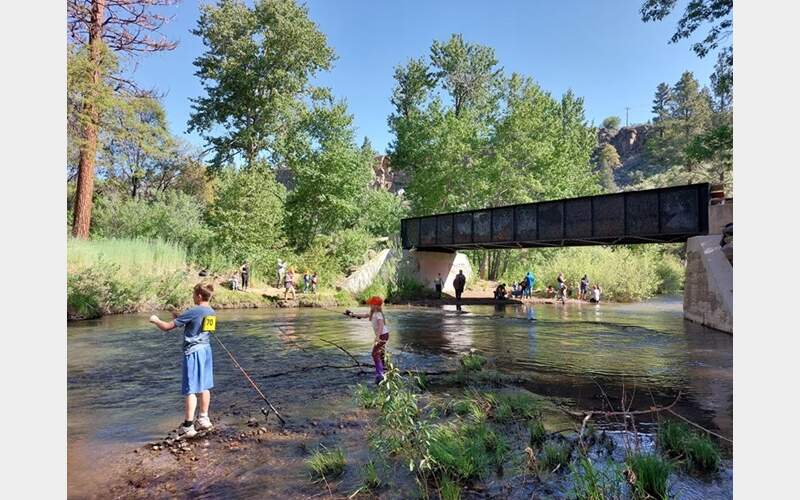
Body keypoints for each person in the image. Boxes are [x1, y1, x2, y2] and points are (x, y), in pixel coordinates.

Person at [149, 283, 217, 439]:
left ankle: (188, 426)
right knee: (205, 386)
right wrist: (181, 318)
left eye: (194, 294)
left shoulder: (194, 311)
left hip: (193, 353)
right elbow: (200, 326)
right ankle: (204, 419)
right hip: (206, 350)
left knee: (191, 389)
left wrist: (155, 320)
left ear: (199, 296)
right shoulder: (211, 311)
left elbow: (166, 327)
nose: (193, 297)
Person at [344, 296, 390, 385]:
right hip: (383, 335)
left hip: (383, 335)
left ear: (376, 305)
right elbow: (364, 315)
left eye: (371, 304)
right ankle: (384, 371)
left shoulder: (379, 314)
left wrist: (377, 337)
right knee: (380, 354)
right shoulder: (373, 313)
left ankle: (380, 375)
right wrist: (352, 314)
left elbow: (380, 325)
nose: (370, 305)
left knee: (374, 354)